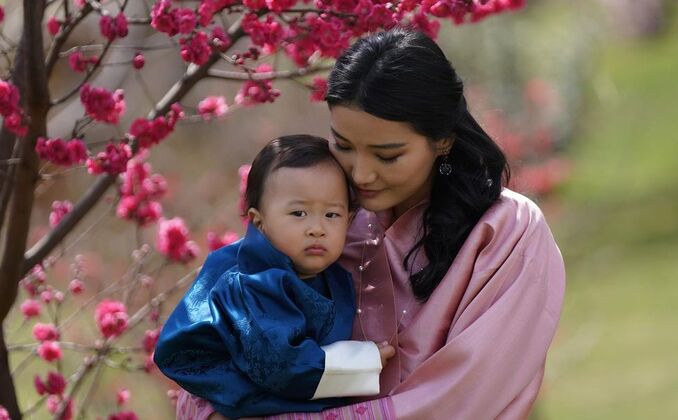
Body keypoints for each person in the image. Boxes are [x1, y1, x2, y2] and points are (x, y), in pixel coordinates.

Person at [177, 27, 565, 420]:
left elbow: (463, 398)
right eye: (343, 146)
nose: (360, 175)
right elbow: (211, 357)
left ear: (443, 140)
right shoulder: (321, 221)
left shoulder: (505, 232)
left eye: (388, 155)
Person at [155, 135, 396, 419]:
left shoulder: (329, 272)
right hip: (237, 393)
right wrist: (362, 362)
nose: (316, 228)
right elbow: (280, 362)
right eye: (298, 213)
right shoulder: (252, 281)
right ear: (259, 221)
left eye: (331, 214)